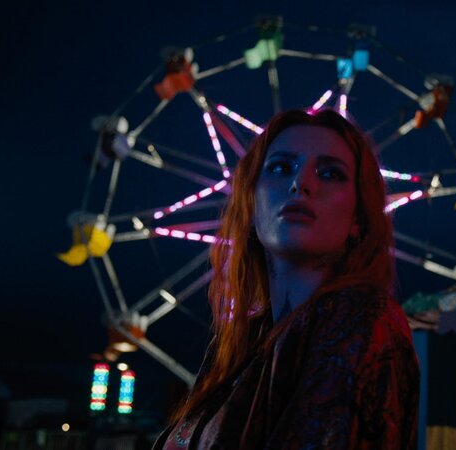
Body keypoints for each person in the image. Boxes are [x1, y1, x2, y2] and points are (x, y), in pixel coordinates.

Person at [154, 109, 420, 449]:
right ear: (251, 202)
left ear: (358, 218)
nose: (300, 184)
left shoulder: (363, 320)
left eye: (330, 173)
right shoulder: (241, 341)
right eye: (280, 168)